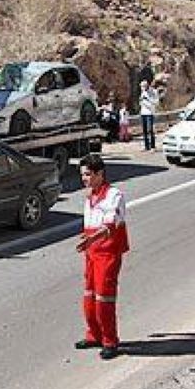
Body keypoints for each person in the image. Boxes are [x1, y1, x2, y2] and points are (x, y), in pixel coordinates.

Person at [75, 154, 129, 360]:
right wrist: (87, 238)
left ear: (100, 174)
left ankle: (110, 341)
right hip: (91, 252)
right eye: (83, 175)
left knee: (104, 297)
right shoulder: (90, 196)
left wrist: (92, 238)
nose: (84, 179)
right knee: (89, 295)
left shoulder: (114, 195)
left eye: (88, 174)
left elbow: (109, 225)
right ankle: (94, 334)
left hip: (107, 252)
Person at [138, 80, 162, 151]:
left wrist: (147, 100)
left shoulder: (153, 92)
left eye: (144, 87)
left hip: (150, 113)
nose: (142, 88)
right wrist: (141, 101)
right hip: (143, 113)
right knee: (144, 130)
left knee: (150, 130)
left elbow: (156, 102)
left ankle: (153, 146)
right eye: (141, 87)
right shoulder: (143, 92)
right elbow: (141, 102)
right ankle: (146, 146)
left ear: (147, 86)